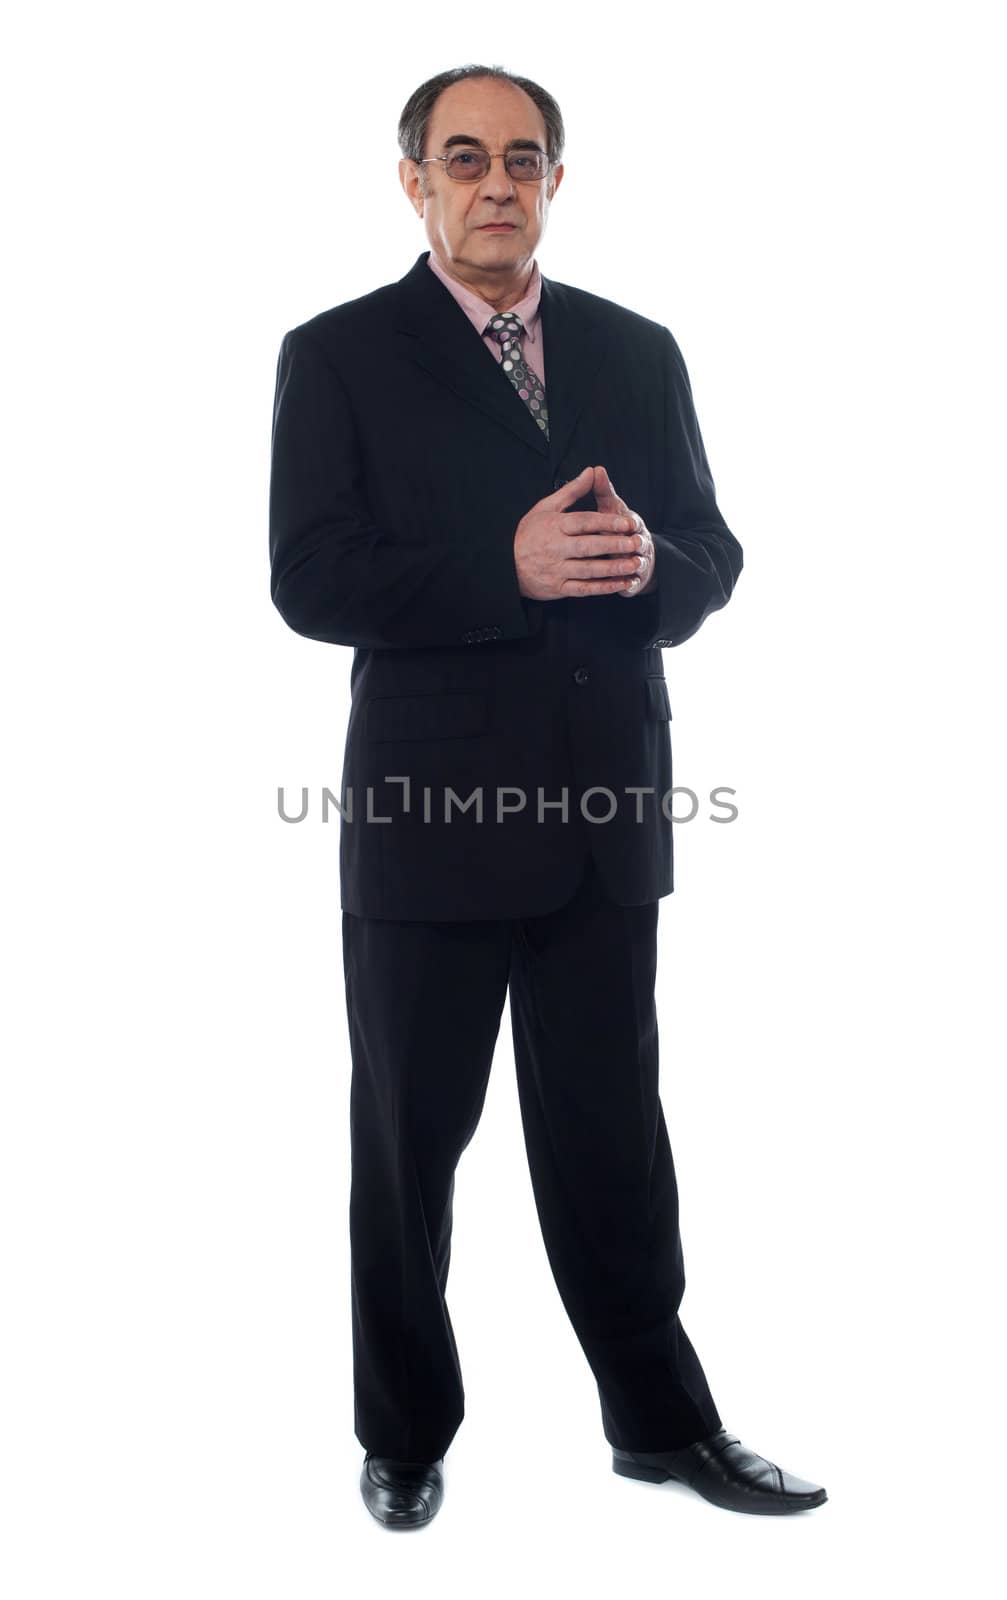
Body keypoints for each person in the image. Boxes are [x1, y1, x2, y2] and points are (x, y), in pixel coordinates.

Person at [268, 63, 827, 1528]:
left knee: (613, 1142)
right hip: (430, 826)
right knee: (407, 1151)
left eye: (524, 159)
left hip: (602, 818)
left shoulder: (639, 353)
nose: (496, 183)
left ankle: (661, 1421)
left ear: (556, 184)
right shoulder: (337, 356)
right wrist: (498, 573)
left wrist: (657, 572)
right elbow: (310, 580)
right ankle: (404, 1434)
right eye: (465, 158)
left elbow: (713, 552)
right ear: (416, 182)